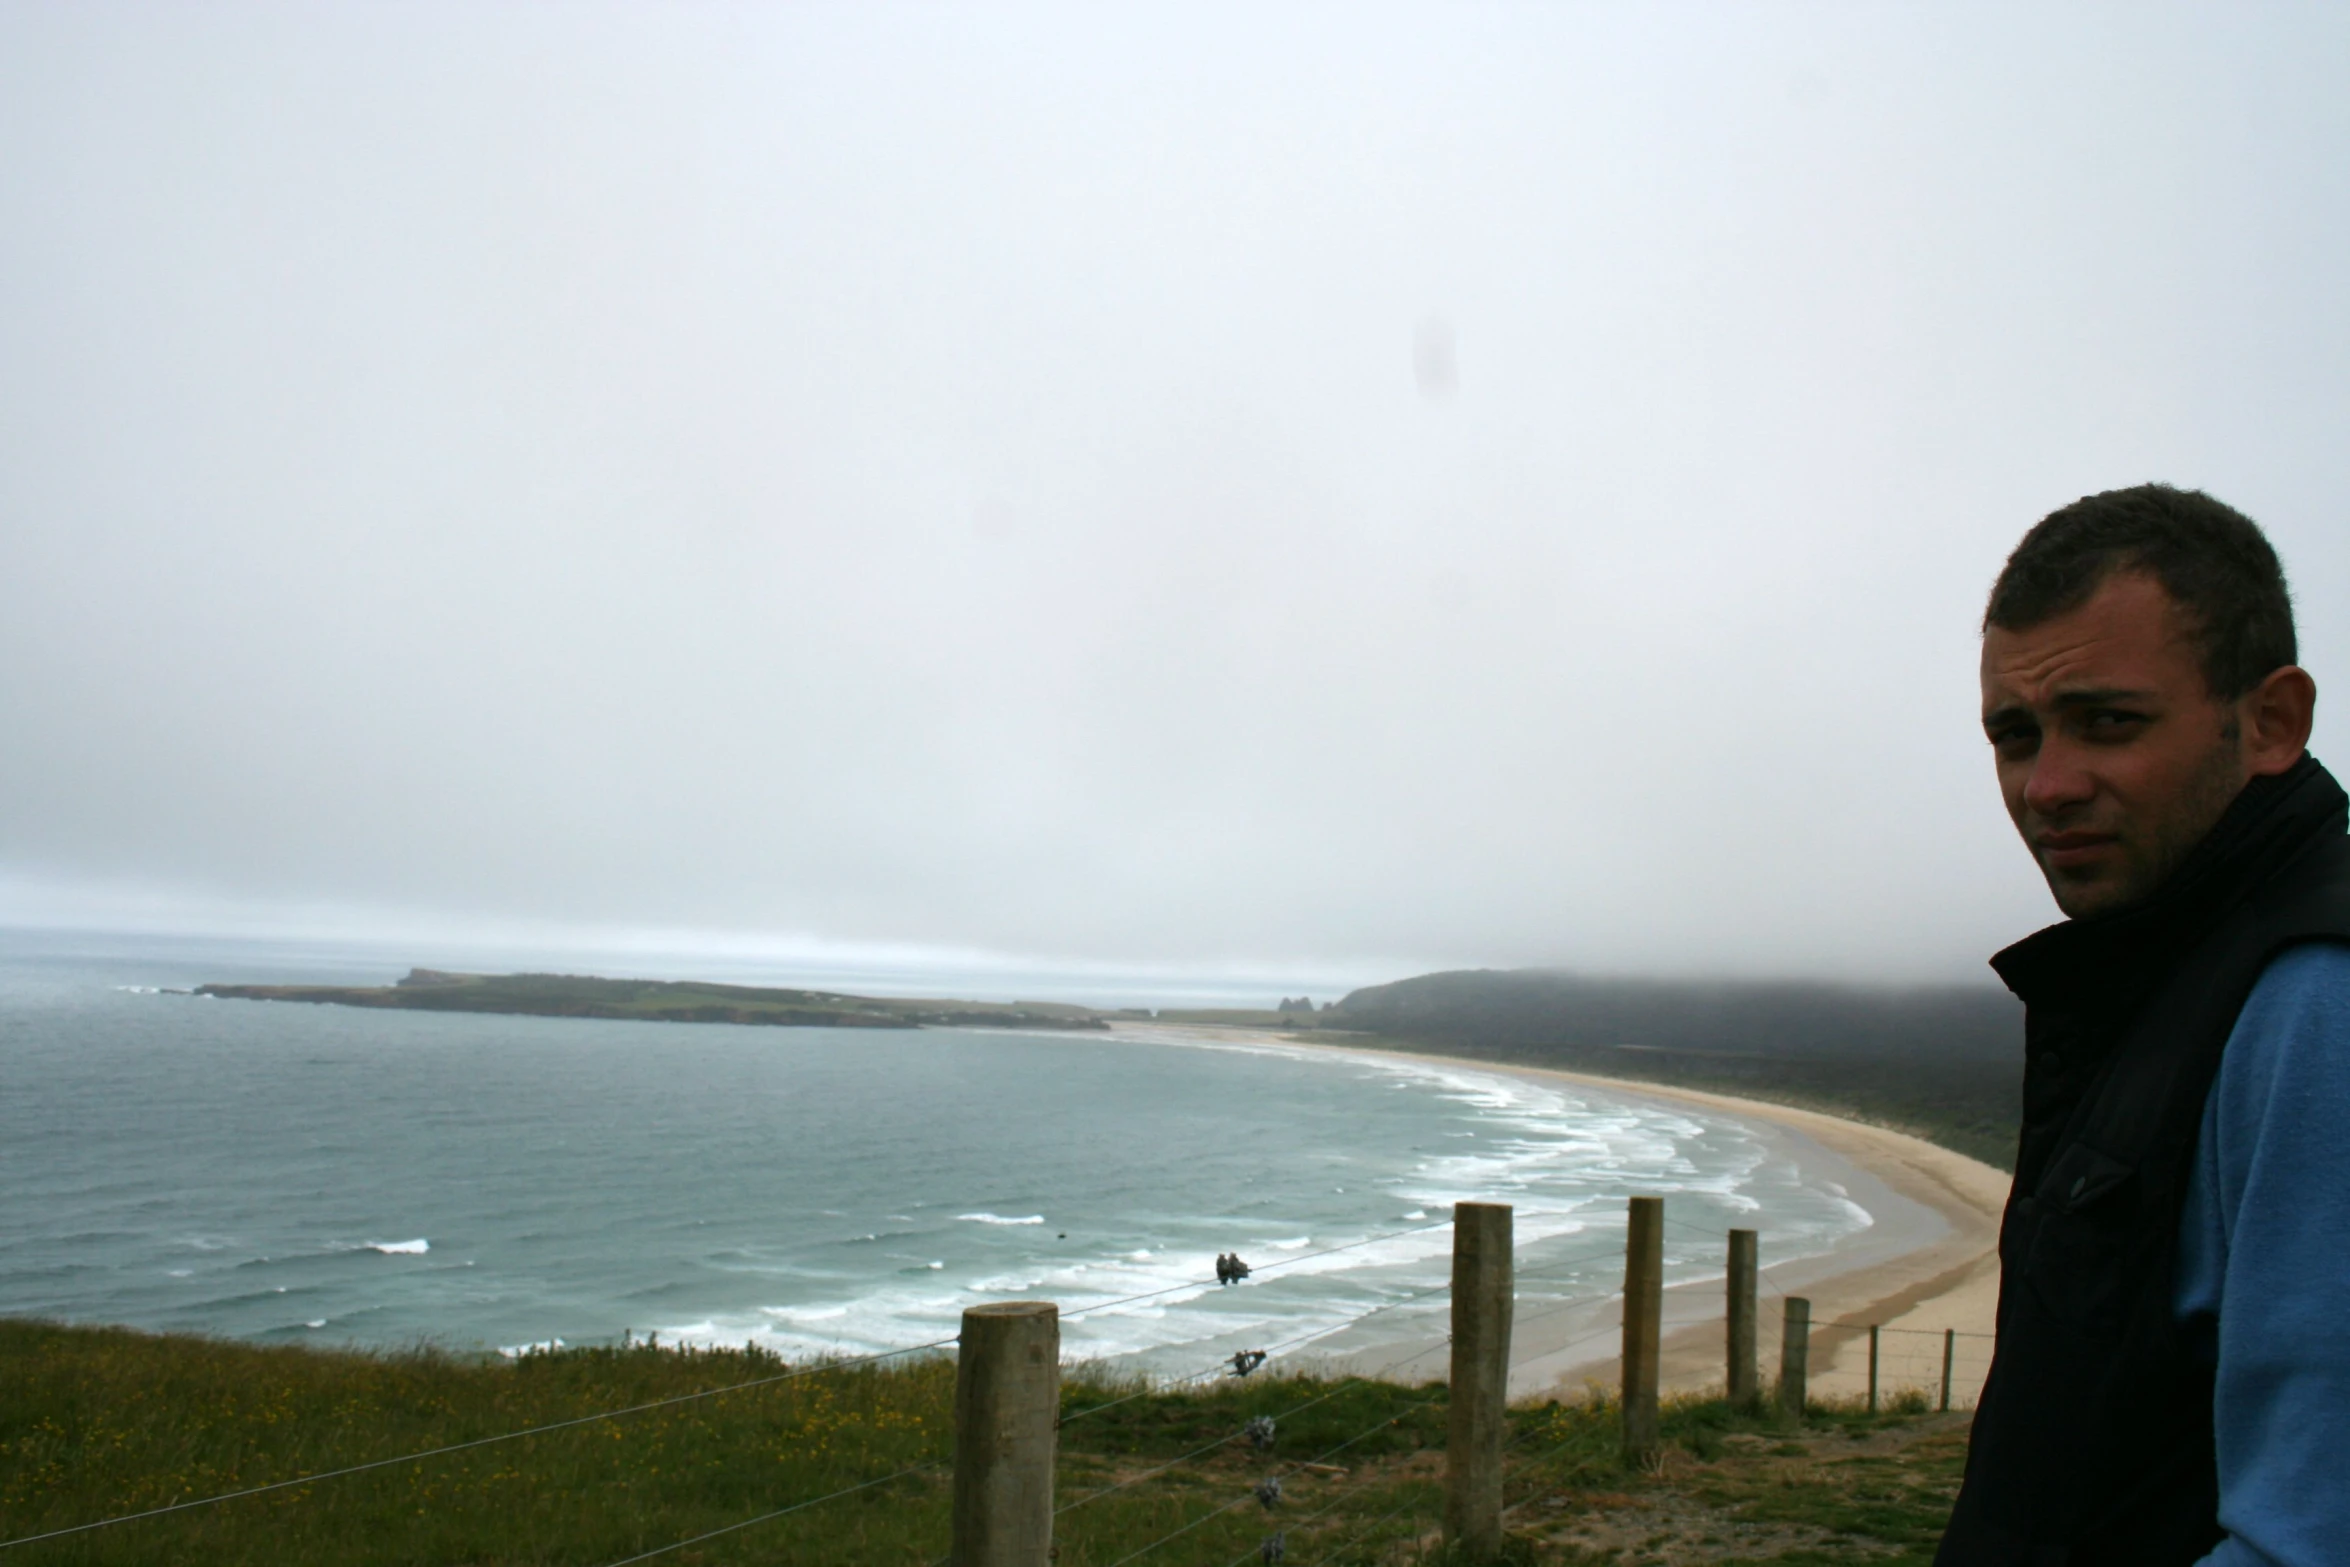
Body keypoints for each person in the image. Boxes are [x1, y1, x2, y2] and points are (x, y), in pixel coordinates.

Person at [1937, 485, 2350, 1565]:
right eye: (2013, 735)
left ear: (2271, 722)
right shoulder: (2167, 966)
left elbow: (2307, 1534)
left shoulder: (2315, 998)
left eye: (2107, 723)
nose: (2047, 785)